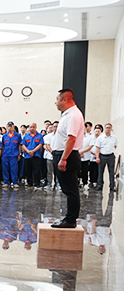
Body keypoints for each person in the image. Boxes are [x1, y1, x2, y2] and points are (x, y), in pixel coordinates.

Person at [51, 88, 85, 228]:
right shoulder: (67, 114)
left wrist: (64, 158)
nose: (55, 102)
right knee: (67, 190)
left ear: (65, 100)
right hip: (63, 154)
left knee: (71, 190)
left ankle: (70, 220)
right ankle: (69, 218)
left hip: (68, 156)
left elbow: (71, 139)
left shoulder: (73, 115)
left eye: (57, 99)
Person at [94, 123, 117, 191]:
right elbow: (97, 148)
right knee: (100, 171)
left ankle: (112, 186)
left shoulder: (114, 137)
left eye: (109, 128)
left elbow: (115, 146)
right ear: (104, 129)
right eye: (107, 127)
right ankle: (99, 185)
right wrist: (97, 157)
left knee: (111, 172)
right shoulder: (100, 138)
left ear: (111, 129)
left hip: (111, 156)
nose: (108, 129)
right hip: (102, 156)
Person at [22, 123, 43, 188]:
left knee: (37, 170)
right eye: (31, 127)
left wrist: (33, 151)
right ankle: (29, 183)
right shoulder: (26, 136)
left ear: (36, 127)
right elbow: (23, 145)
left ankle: (37, 183)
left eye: (33, 127)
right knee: (28, 170)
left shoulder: (39, 136)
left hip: (36, 155)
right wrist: (28, 151)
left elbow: (40, 144)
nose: (32, 128)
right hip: (27, 156)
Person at [1, 121, 21, 188]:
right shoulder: (4, 136)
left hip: (14, 155)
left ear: (13, 127)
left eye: (11, 126)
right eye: (8, 126)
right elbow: (3, 146)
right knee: (5, 169)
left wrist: (19, 154)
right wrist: (2, 155)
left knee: (14, 169)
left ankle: (15, 182)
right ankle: (6, 182)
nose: (9, 128)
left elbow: (19, 145)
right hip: (5, 155)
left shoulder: (18, 136)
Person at [42, 123, 56, 189]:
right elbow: (46, 145)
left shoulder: (59, 136)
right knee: (49, 171)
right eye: (49, 128)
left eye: (52, 127)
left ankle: (58, 184)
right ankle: (49, 183)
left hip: (57, 156)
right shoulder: (47, 136)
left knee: (57, 171)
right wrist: (52, 152)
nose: (51, 129)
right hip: (49, 156)